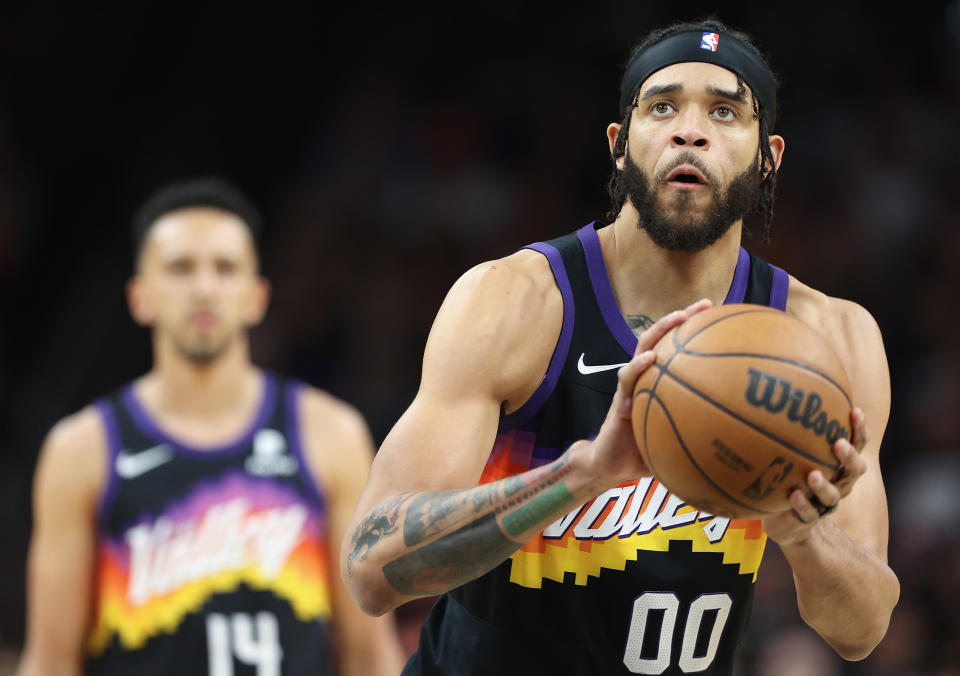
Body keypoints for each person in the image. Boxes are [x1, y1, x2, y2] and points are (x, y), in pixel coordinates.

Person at [341, 18, 900, 675]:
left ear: (769, 156)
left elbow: (862, 630)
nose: (690, 131)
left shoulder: (830, 339)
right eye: (662, 106)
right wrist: (581, 475)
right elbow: (372, 572)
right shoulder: (515, 302)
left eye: (725, 112)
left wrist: (801, 531)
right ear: (620, 143)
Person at [17, 177, 405, 676]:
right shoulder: (81, 449)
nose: (204, 288)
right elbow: (50, 664)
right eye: (180, 268)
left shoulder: (330, 433)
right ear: (139, 296)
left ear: (257, 295)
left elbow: (368, 656)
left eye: (225, 269)